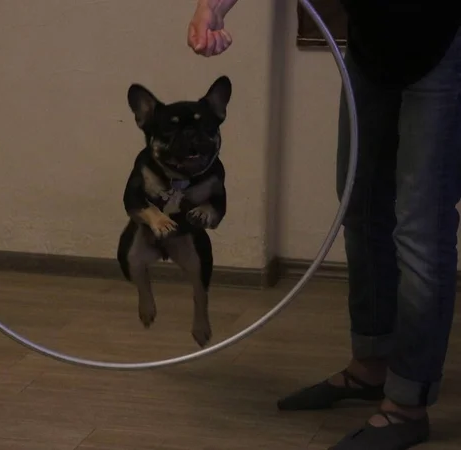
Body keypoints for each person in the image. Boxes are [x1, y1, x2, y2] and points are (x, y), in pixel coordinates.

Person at [187, 1, 461, 449]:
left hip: (444, 38)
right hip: (373, 46)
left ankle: (409, 403)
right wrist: (211, 10)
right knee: (360, 203)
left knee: (420, 228)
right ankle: (372, 365)